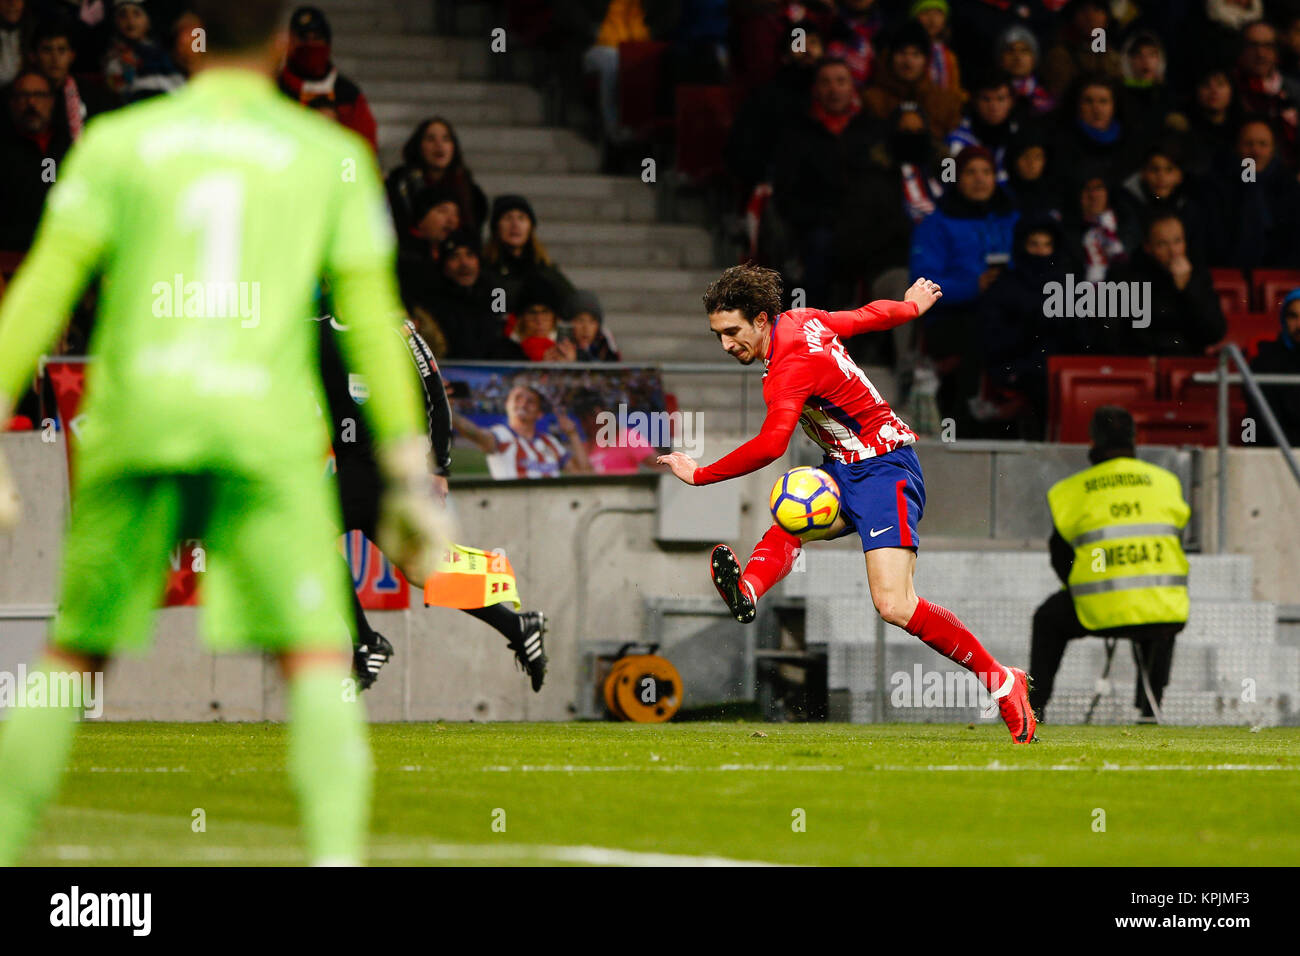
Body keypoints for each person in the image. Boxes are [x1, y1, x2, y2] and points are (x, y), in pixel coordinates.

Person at [0, 0, 448, 867]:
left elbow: (39, 299)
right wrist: (406, 463)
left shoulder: (118, 144)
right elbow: (372, 320)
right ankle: (333, 859)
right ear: (283, 45)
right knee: (317, 660)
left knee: (72, 655)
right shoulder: (331, 158)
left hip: (137, 425)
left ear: (187, 39)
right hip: (263, 434)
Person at [656, 264, 1039, 745]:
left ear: (760, 319)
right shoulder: (801, 320)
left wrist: (701, 474)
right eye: (717, 335)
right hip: (845, 466)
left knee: (894, 605)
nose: (726, 345)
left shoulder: (789, 367)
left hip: (885, 470)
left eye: (732, 332)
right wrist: (910, 307)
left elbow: (773, 444)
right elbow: (863, 317)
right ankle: (749, 591)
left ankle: (1003, 681)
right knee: (793, 513)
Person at [316, 304, 550, 692]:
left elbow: (435, 398)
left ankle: (366, 642)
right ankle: (517, 625)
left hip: (387, 471)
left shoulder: (398, 330)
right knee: (426, 573)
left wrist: (439, 467)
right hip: (356, 472)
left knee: (305, 539)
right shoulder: (316, 331)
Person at [1029, 406, 1190, 722]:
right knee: (1155, 616)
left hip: (1098, 607)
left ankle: (1035, 707)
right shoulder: (1166, 483)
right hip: (1164, 611)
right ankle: (1149, 709)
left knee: (1047, 620)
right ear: (1136, 439)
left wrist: (1085, 584)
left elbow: (1060, 556)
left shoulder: (1072, 491)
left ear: (1092, 441)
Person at [277, 4, 376, 149]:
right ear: (289, 42)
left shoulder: (348, 94)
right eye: (303, 38)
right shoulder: (272, 88)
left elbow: (365, 149)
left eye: (317, 38)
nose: (310, 44)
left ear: (327, 42)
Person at [454, 384, 593, 479]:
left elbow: (584, 474)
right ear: (507, 405)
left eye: (531, 401)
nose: (523, 404)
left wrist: (573, 434)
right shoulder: (500, 435)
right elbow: (475, 434)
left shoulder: (550, 442)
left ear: (539, 414)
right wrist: (446, 411)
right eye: (517, 398)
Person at [0, 69, 72, 251]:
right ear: (11, 103)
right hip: (11, 254)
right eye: (23, 96)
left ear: (52, 101)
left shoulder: (71, 147)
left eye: (39, 95)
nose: (31, 103)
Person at [385, 116, 488, 238]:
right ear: (419, 145)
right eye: (430, 139)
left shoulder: (470, 192)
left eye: (446, 139)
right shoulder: (399, 185)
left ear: (453, 146)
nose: (439, 145)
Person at [29, 18, 118, 142]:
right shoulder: (22, 96)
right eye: (47, 50)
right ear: (33, 56)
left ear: (72, 56)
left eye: (61, 50)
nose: (55, 59)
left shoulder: (93, 95)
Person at [102, 0, 185, 102]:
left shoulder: (164, 51)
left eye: (136, 14)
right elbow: (117, 87)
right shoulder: (115, 55)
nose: (130, 20)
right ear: (115, 23)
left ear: (149, 21)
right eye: (123, 15)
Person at [1246, 288, 1300, 447]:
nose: (1299, 324)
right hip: (1275, 453)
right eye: (1293, 316)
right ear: (1284, 320)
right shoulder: (1263, 362)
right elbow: (1257, 421)